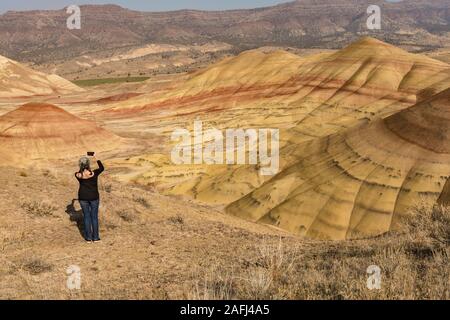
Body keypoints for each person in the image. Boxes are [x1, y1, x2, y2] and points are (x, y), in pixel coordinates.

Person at [75, 154, 104, 242]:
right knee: (94, 217)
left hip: (83, 197)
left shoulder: (77, 175)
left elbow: (80, 172)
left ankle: (88, 238)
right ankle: (95, 238)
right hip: (94, 197)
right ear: (88, 164)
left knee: (87, 217)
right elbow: (102, 168)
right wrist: (96, 157)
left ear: (80, 165)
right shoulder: (94, 173)